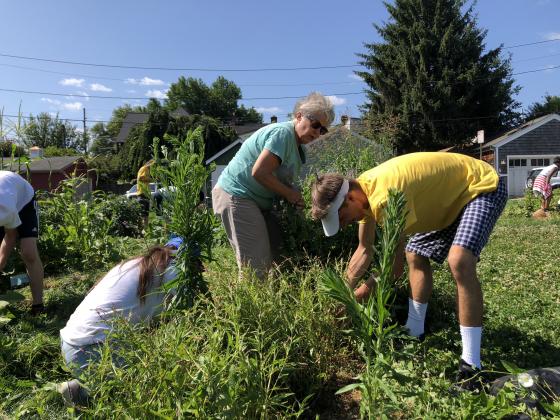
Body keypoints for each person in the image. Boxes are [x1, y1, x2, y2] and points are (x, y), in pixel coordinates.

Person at [310, 152, 507, 391]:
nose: (343, 224)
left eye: (341, 217)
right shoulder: (364, 192)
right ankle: (415, 331)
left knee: (460, 261)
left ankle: (472, 366)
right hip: (448, 201)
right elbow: (364, 249)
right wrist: (342, 293)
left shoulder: (385, 196)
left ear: (349, 197)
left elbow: (393, 269)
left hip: (480, 187)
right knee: (414, 253)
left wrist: (358, 296)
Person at [212, 92, 334, 279]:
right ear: (299, 116)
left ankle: (275, 303)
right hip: (238, 195)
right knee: (255, 267)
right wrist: (291, 194)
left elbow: (283, 183)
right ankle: (248, 307)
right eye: (315, 125)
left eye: (323, 130)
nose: (318, 133)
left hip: (259, 202)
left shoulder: (298, 148)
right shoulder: (283, 134)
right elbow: (259, 172)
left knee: (281, 255)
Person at [57, 236, 184, 406]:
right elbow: (187, 316)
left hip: (71, 343)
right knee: (158, 379)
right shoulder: (173, 272)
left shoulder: (135, 264)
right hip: (92, 350)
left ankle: (93, 382)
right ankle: (82, 392)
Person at [0, 171, 44, 314]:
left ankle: (38, 305)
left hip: (24, 200)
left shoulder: (5, 208)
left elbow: (10, 236)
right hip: (8, 191)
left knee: (28, 252)